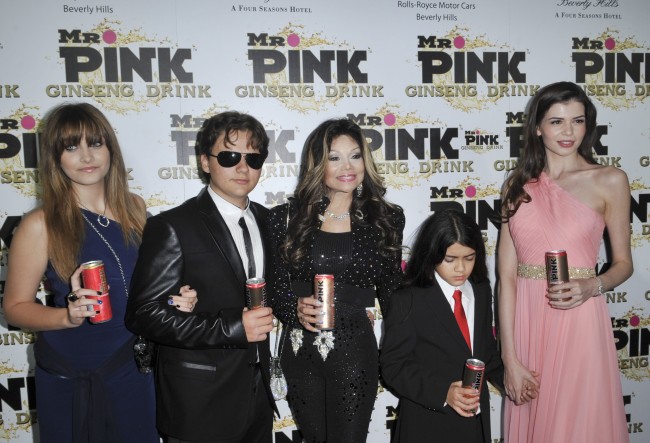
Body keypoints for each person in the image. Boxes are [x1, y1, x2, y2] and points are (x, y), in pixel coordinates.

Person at [2, 102, 195, 442]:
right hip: (75, 371)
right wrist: (67, 316)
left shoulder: (135, 207)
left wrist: (175, 299)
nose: (86, 156)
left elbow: (142, 283)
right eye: (71, 147)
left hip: (134, 363)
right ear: (55, 158)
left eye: (95, 143)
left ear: (110, 149)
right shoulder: (40, 224)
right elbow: (15, 308)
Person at [125, 111, 276, 443]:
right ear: (206, 162)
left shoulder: (270, 221)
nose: (243, 168)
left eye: (253, 158)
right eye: (230, 157)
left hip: (258, 398)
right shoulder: (172, 226)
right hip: (199, 403)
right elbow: (143, 314)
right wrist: (233, 327)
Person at [498, 81, 632, 443]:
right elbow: (506, 277)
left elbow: (623, 263)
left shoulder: (609, 180)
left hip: (579, 320)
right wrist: (510, 358)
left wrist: (593, 285)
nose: (568, 131)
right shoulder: (516, 186)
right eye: (556, 121)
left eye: (578, 120)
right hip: (528, 323)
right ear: (537, 128)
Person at [267, 118, 405, 443]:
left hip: (355, 350)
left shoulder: (385, 218)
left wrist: (404, 349)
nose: (348, 166)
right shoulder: (284, 218)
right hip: (299, 350)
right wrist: (293, 310)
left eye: (355, 156)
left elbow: (392, 292)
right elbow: (275, 286)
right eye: (334, 157)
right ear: (318, 164)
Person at [380, 209, 504, 443]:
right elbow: (393, 366)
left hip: (475, 425)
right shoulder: (408, 299)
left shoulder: (481, 290)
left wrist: (511, 380)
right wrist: (443, 392)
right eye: (450, 259)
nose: (461, 268)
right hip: (426, 425)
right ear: (431, 253)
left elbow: (485, 352)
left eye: (469, 258)